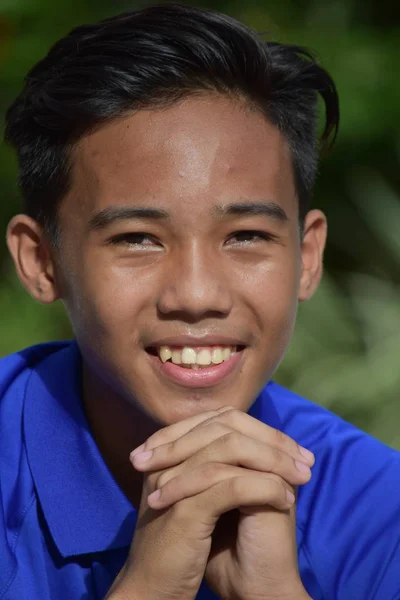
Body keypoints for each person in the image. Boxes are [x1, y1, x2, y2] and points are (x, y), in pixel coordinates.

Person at [1, 3, 399, 599]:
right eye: (137, 239)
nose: (196, 295)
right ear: (42, 261)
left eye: (246, 236)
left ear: (307, 256)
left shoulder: (376, 510)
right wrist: (150, 586)